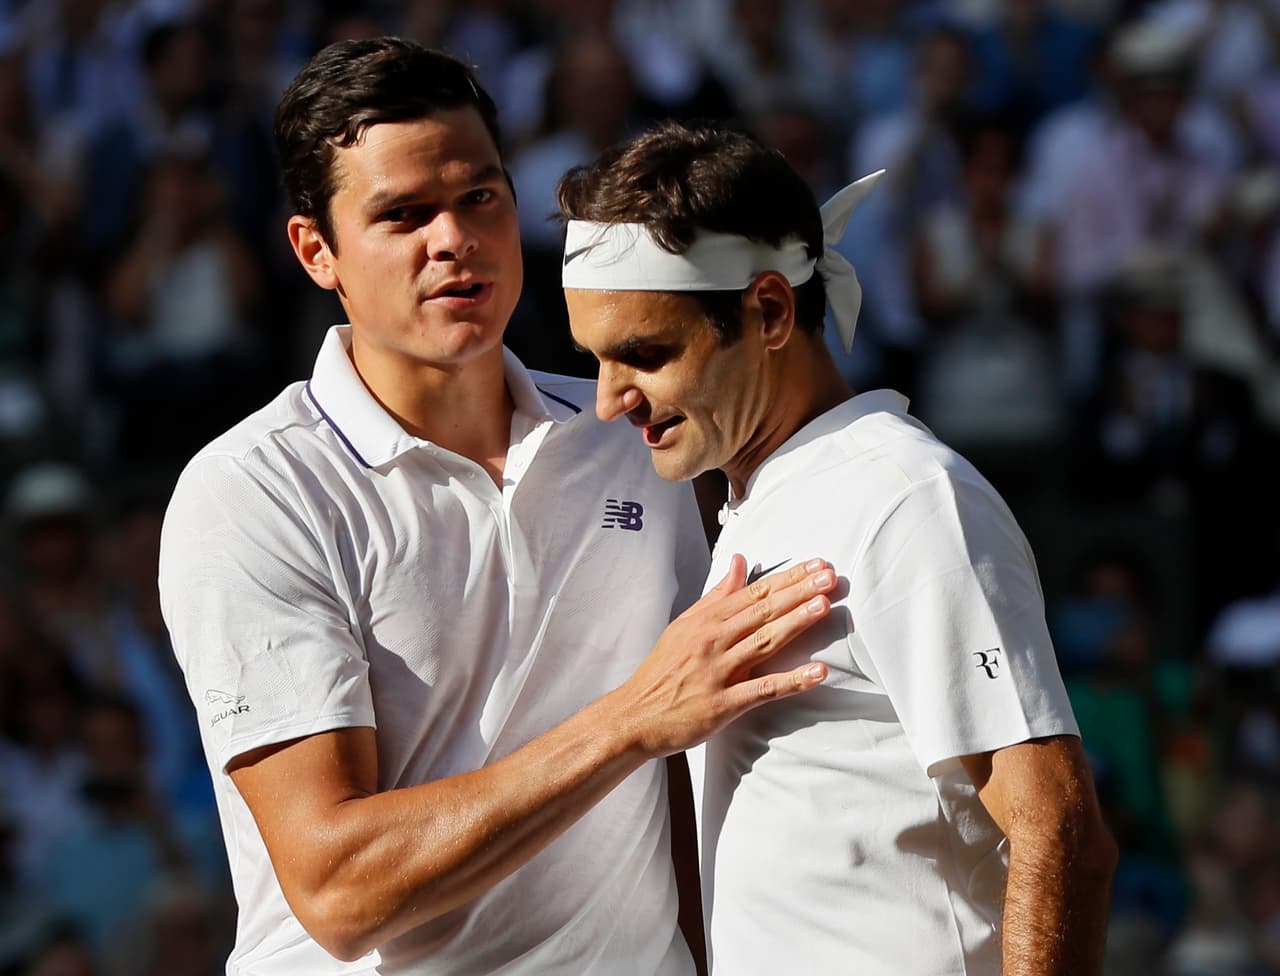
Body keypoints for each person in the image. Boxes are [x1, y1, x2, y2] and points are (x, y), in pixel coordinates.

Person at [157, 38, 838, 976]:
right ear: (317, 252)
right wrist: (631, 719)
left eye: (479, 196)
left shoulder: (632, 434)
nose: (453, 239)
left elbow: (689, 779)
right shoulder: (253, 493)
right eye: (402, 215)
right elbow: (339, 891)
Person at [558, 120, 1118, 975]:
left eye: (643, 354)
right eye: (595, 360)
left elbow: (1063, 836)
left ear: (771, 311)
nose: (608, 401)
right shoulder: (768, 497)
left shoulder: (907, 497)